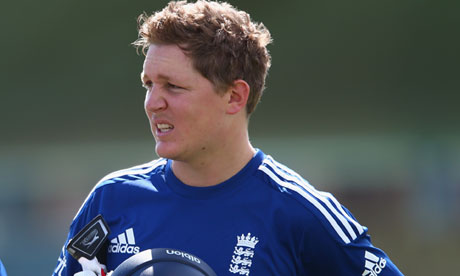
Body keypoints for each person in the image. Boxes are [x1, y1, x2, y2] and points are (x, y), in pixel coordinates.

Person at [53, 1, 403, 275]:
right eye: (149, 84)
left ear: (234, 97)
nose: (152, 103)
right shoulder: (111, 200)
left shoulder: (300, 214)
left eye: (173, 86)